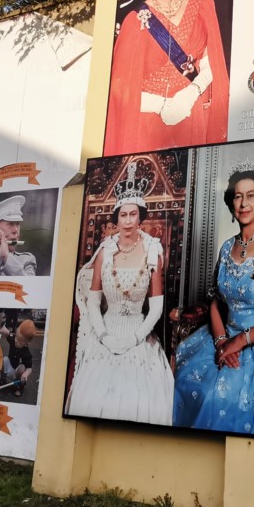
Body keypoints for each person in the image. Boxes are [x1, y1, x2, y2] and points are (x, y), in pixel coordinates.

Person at [172, 165, 254, 437]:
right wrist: (221, 341)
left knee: (219, 396)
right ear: (231, 202)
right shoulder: (226, 247)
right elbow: (215, 303)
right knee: (182, 380)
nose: (243, 203)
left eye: (251, 195)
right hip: (222, 337)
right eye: (237, 196)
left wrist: (239, 341)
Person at [106, 0, 230, 151]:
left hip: (194, 115)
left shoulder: (202, 0)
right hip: (152, 127)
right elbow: (122, 92)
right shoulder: (135, 22)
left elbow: (212, 59)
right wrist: (164, 105)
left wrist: (192, 92)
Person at [64, 167, 174, 426]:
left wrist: (135, 339)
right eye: (123, 215)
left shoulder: (152, 251)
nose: (127, 221)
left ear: (140, 218)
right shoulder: (105, 251)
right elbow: (93, 302)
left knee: (139, 394)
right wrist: (103, 336)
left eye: (133, 215)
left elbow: (156, 308)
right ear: (116, 218)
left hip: (137, 329)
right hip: (107, 328)